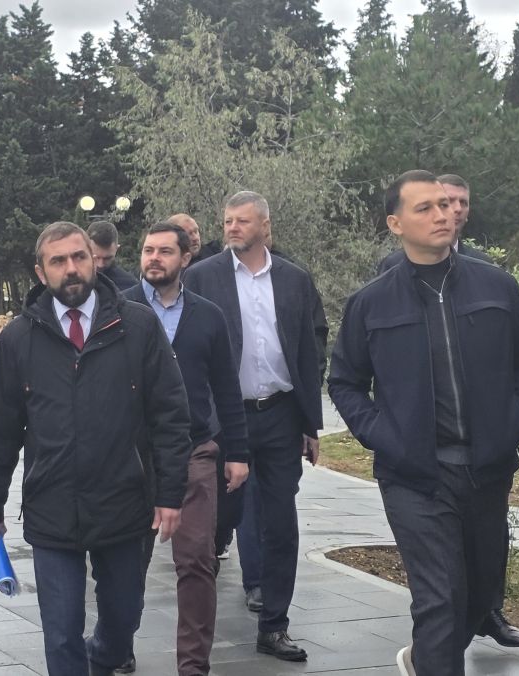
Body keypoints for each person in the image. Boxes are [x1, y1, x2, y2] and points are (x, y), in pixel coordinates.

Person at [328, 170, 519, 675]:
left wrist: (510, 426)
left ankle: (425, 657)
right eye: (425, 207)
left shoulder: (497, 286)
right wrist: (386, 437)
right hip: (415, 476)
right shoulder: (371, 302)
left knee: (480, 595)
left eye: (445, 204)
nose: (442, 214)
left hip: (487, 470)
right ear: (396, 224)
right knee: (441, 597)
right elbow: (345, 382)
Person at [0, 221, 191, 676]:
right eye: (58, 261)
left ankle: (101, 656)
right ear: (40, 272)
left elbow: (170, 416)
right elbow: (0, 433)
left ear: (94, 260)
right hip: (52, 507)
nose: (71, 268)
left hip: (123, 503)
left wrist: (170, 494)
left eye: (78, 257)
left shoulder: (137, 326)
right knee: (61, 632)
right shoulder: (19, 339)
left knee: (123, 621)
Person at [182, 191, 326, 663]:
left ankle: (274, 625)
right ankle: (197, 630)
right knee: (218, 520)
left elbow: (307, 349)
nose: (232, 228)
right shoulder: (202, 277)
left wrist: (310, 422)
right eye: (227, 221)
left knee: (281, 522)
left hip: (280, 414)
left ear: (265, 226)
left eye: (242, 221)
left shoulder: (294, 279)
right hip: (226, 417)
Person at [119, 222, 249, 675]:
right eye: (147, 250)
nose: (154, 258)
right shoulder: (119, 309)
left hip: (194, 451)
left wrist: (238, 452)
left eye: (164, 251)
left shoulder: (208, 316)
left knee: (196, 560)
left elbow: (227, 388)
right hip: (132, 456)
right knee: (125, 561)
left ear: (186, 258)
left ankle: (194, 665)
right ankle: (118, 645)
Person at [377, 174, 492, 274]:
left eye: (464, 202)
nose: (458, 209)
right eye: (447, 203)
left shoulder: (485, 268)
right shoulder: (392, 265)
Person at [86, 220, 139, 290]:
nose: (100, 264)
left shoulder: (129, 285)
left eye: (107, 258)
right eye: (96, 257)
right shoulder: (74, 281)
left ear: (117, 249)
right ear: (85, 248)